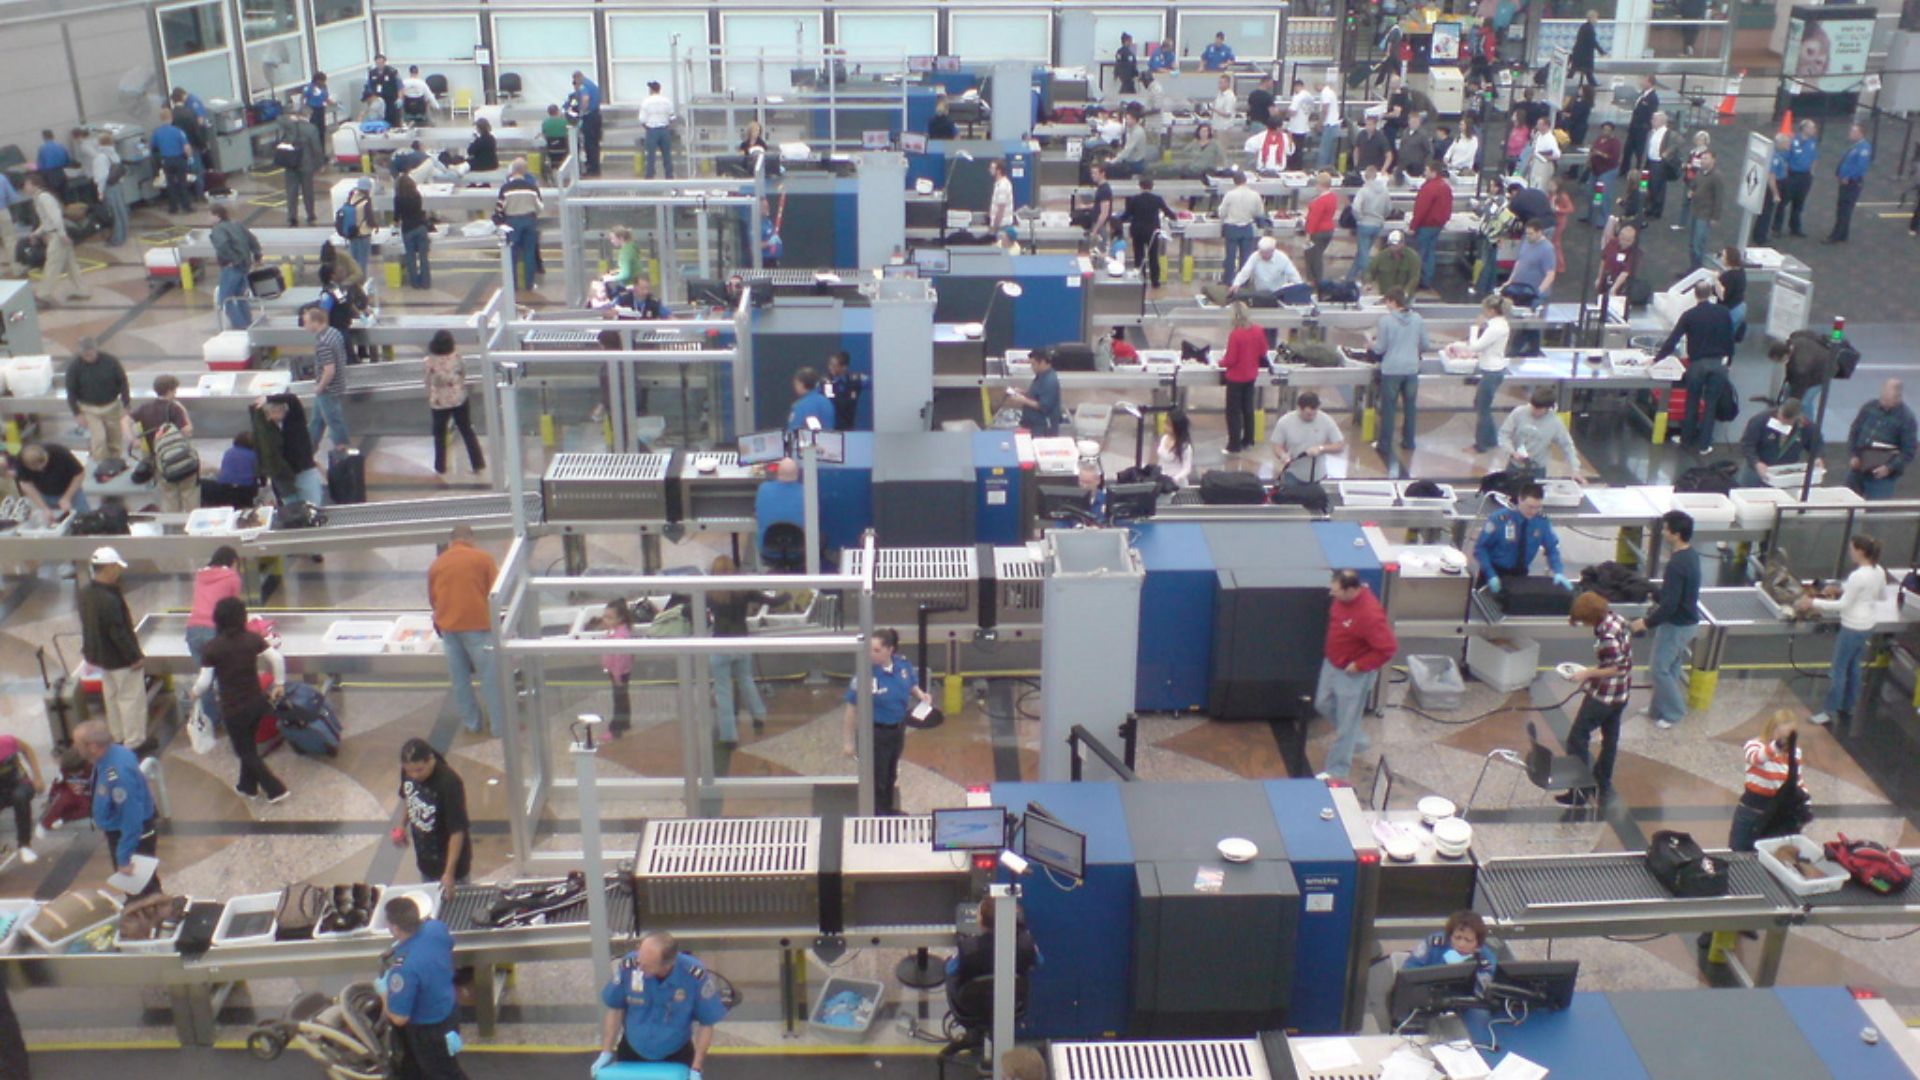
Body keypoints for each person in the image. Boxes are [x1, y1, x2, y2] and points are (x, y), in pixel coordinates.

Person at [193, 595, 290, 803]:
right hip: (257, 702)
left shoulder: (212, 648)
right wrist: (279, 683)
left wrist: (194, 692)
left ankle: (275, 789)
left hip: (233, 708)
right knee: (248, 745)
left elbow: (204, 681)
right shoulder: (253, 639)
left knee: (244, 752)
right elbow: (277, 658)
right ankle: (247, 787)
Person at [595, 931, 727, 1073]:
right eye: (640, 957)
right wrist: (606, 1051)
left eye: (647, 965)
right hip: (632, 1050)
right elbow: (615, 1008)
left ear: (667, 964)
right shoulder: (629, 966)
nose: (639, 966)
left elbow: (707, 1023)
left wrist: (696, 1067)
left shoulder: (693, 975)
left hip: (675, 1054)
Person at [1796, 534, 1887, 728]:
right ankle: (1848, 705)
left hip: (1852, 627)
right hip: (1867, 626)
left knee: (1838, 670)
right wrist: (1842, 589)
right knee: (1854, 667)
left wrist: (1812, 602)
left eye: (1852, 549)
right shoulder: (1878, 571)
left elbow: (1842, 605)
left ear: (1861, 551)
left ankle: (1828, 711)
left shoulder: (1858, 576)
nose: (1850, 552)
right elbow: (1881, 594)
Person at [1555, 590, 1635, 806]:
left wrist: (1586, 673)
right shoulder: (1615, 618)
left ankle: (1580, 790)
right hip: (1622, 693)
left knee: (1576, 738)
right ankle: (1603, 783)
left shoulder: (1606, 636)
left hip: (1604, 696)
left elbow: (1615, 668)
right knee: (1610, 741)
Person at [1317, 569, 1397, 780]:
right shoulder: (1340, 600)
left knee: (1346, 726)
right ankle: (1356, 739)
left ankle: (1336, 770)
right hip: (1332, 663)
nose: (1332, 595)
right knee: (1322, 703)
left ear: (1351, 589)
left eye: (1336, 592)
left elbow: (1387, 648)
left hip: (1353, 675)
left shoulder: (1369, 614)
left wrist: (1361, 665)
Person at [841, 628, 930, 814]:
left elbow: (911, 684)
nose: (871, 654)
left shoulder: (902, 666)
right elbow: (851, 709)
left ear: (890, 650)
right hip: (875, 733)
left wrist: (921, 695)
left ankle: (886, 807)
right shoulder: (865, 675)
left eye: (876, 650)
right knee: (877, 776)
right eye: (869, 650)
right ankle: (878, 812)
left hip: (897, 730)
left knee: (890, 772)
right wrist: (848, 742)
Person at [428, 525, 506, 736]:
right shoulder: (483, 559)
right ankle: (499, 726)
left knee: (460, 680)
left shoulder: (437, 564)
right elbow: (496, 592)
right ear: (471, 539)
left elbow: (433, 599)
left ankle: (472, 723)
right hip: (478, 627)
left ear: (451, 541)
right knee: (490, 678)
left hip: (449, 630)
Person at [381, 894, 469, 1080]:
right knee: (445, 1064)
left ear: (396, 929)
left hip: (429, 1030)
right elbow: (447, 945)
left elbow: (399, 1018)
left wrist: (383, 994)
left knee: (442, 1072)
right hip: (449, 1010)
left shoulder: (403, 969)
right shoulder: (435, 928)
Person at [1631, 511, 1701, 730]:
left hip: (1676, 625)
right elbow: (1676, 595)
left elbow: (1670, 605)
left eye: (1666, 528)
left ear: (1676, 533)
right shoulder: (1691, 556)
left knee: (1659, 669)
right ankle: (1657, 709)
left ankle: (1674, 712)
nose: (1662, 532)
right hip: (1687, 622)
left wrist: (1646, 622)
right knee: (1669, 668)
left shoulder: (1676, 564)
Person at [78, 719, 160, 897]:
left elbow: (131, 817)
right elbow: (109, 787)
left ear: (92, 746)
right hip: (120, 829)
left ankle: (151, 913)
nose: (76, 748)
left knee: (141, 887)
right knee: (142, 887)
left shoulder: (119, 774)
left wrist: (124, 857)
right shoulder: (110, 761)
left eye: (79, 743)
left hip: (133, 837)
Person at [82, 547, 151, 751]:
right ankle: (135, 742)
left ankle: (118, 736)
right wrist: (134, 656)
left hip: (101, 657)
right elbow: (117, 632)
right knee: (130, 699)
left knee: (111, 698)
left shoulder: (86, 593)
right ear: (110, 568)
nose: (119, 572)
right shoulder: (109, 599)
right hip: (120, 659)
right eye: (117, 567)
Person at [1653, 283, 1736, 454]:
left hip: (1697, 365)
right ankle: (1704, 445)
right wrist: (1729, 362)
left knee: (1692, 402)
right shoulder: (1724, 313)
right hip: (1718, 364)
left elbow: (1673, 340)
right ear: (1711, 294)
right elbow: (1730, 339)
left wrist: (1656, 359)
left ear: (1696, 296)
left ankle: (1686, 440)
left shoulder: (1689, 315)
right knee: (1711, 404)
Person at [708, 555, 769, 744]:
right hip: (741, 642)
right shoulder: (744, 591)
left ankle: (729, 735)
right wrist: (788, 594)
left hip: (720, 644)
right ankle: (759, 717)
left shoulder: (709, 593)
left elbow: (689, 609)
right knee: (746, 680)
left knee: (723, 691)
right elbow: (771, 600)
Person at [945, 892, 1041, 1012]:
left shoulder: (967, 948)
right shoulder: (1026, 944)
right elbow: (1039, 961)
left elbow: (950, 970)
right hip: (1014, 1001)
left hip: (971, 1004)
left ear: (981, 922)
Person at [396, 738, 470, 893]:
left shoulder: (449, 783)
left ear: (431, 760)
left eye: (419, 770)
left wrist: (449, 873)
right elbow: (410, 797)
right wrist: (402, 825)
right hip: (426, 862)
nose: (414, 775)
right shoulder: (408, 771)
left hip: (450, 867)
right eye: (410, 771)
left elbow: (457, 831)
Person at [1730, 710, 1808, 852]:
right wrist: (1776, 747)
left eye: (1789, 735)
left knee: (1767, 856)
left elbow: (1797, 781)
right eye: (1781, 734)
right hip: (1751, 813)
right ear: (1772, 729)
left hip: (1776, 816)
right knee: (1739, 853)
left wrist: (1805, 806)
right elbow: (1756, 758)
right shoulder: (1755, 745)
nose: (1785, 740)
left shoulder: (1795, 753)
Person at [1475, 480, 1570, 591]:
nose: (1534, 511)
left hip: (1520, 575)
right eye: (1530, 507)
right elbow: (1480, 548)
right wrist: (1490, 574)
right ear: (1520, 500)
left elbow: (1552, 548)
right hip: (1494, 572)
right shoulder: (1500, 520)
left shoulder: (1541, 522)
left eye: (1538, 507)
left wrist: (1558, 571)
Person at [1370, 289, 1428, 467]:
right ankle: (1409, 442)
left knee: (1389, 408)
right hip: (1411, 369)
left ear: (1393, 301)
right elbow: (1425, 344)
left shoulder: (1385, 321)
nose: (1386, 306)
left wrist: (1370, 344)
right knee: (1410, 407)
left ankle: (1385, 445)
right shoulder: (1418, 319)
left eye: (1386, 302)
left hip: (1391, 369)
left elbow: (1380, 348)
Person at [125, 375, 199, 511]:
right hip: (180, 457)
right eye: (175, 390)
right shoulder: (174, 408)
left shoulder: (144, 407)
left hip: (159, 461)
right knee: (189, 493)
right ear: (170, 391)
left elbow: (124, 420)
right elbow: (187, 431)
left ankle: (172, 527)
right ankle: (189, 525)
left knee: (169, 496)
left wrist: (133, 439)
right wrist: (184, 413)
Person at [1452, 295, 1512, 452]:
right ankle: (1491, 438)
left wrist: (1475, 328)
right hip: (1493, 368)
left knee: (1482, 407)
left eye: (1485, 309)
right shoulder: (1500, 324)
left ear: (1492, 310)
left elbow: (1475, 347)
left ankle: (1481, 445)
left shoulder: (1495, 327)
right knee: (1481, 404)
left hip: (1492, 371)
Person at [185, 545, 241, 702]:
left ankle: (208, 722)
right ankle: (227, 717)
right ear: (233, 562)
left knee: (205, 678)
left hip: (192, 631)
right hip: (214, 631)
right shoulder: (232, 577)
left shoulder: (200, 575)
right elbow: (234, 610)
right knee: (225, 678)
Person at [424, 330, 483, 479]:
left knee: (439, 434)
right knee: (466, 430)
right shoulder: (457, 357)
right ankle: (477, 463)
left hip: (439, 402)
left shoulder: (429, 361)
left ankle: (440, 467)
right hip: (459, 399)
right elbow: (463, 373)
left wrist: (430, 394)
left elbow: (427, 380)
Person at [1845, 379, 1917, 499]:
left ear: (1898, 397)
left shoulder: (1906, 419)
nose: (1883, 403)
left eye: (1887, 400)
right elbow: (1854, 431)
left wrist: (1889, 468)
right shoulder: (1869, 407)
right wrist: (1853, 455)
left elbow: (1908, 451)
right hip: (1858, 468)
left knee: (1876, 513)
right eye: (1882, 398)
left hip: (1882, 476)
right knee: (1845, 504)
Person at [252, 393, 325, 508]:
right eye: (273, 411)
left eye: (279, 409)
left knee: (313, 507)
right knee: (293, 513)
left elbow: (293, 399)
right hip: (284, 477)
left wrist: (268, 398)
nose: (276, 413)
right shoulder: (268, 429)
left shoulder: (295, 421)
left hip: (303, 471)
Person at [26, 172, 88, 304]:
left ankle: (43, 294)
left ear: (34, 184)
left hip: (57, 236)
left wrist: (62, 235)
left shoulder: (44, 198)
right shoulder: (39, 198)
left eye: (27, 184)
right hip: (56, 233)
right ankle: (83, 290)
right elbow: (47, 220)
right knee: (71, 265)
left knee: (52, 265)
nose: (25, 187)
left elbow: (56, 217)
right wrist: (36, 233)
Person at [64, 338, 130, 462]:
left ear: (96, 350)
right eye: (85, 355)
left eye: (90, 354)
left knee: (114, 438)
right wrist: (77, 413)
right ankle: (100, 464)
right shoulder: (74, 367)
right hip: (89, 409)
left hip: (111, 406)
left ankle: (115, 462)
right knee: (99, 439)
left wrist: (126, 403)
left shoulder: (111, 361)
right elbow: (71, 391)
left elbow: (123, 382)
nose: (88, 357)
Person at [301, 305, 351, 453]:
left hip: (328, 388)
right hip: (339, 383)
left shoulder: (322, 342)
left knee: (333, 419)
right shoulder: (334, 332)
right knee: (317, 419)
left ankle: (341, 448)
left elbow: (329, 370)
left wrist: (320, 387)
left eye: (306, 323)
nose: (305, 327)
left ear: (316, 322)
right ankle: (309, 447)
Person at [1738, 398, 1820, 488]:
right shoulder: (1760, 420)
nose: (1783, 423)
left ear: (1798, 417)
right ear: (1779, 410)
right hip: (1757, 466)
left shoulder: (1806, 427)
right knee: (1747, 492)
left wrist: (1817, 457)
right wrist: (1756, 463)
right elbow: (1746, 444)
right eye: (1781, 420)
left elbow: (1816, 444)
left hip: (1784, 470)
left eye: (1788, 422)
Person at [1499, 388, 1580, 476]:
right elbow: (1503, 434)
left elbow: (1567, 445)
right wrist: (1512, 452)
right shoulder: (1519, 412)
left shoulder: (1555, 423)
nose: (1534, 411)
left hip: (1537, 469)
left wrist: (1575, 469)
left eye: (1538, 409)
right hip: (1514, 466)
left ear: (1548, 408)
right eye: (1533, 407)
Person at [1220, 303, 1267, 453]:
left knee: (1233, 412)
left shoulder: (1236, 334)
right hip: (1251, 375)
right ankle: (1248, 440)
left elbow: (1231, 360)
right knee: (1248, 409)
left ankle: (1233, 445)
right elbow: (1263, 351)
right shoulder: (1258, 330)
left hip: (1235, 378)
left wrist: (1219, 362)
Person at [1270, 391, 1344, 483]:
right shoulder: (1285, 421)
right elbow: (1277, 445)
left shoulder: (1326, 420)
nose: (1312, 417)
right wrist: (1283, 455)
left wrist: (1321, 448)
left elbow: (1339, 445)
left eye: (1315, 413)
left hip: (1318, 475)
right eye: (1308, 414)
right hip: (1293, 475)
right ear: (1299, 408)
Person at [209, 204, 262, 330]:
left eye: (210, 215)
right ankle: (248, 323)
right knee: (241, 296)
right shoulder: (237, 225)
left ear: (217, 216)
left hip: (230, 267)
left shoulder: (218, 230)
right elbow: (252, 240)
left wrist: (232, 260)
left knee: (226, 299)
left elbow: (222, 245)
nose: (208, 218)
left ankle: (239, 326)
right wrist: (257, 256)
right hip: (244, 266)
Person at [1404, 910, 1497, 979]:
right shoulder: (1433, 943)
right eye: (1457, 938)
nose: (1461, 944)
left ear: (1478, 944)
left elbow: (1483, 989)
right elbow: (1409, 969)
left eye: (1468, 940)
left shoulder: (1485, 959)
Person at [496, 159, 543, 289]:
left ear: (512, 171)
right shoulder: (532, 188)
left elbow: (500, 207)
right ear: (524, 171)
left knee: (512, 253)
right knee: (529, 252)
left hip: (512, 222)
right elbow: (539, 206)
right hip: (529, 220)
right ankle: (529, 284)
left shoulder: (505, 188)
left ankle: (512, 284)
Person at [15, 442, 88, 520]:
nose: (41, 469)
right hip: (45, 494)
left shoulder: (60, 452)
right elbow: (26, 484)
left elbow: (79, 474)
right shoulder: (20, 460)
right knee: (52, 520)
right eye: (36, 469)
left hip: (71, 489)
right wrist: (44, 508)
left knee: (84, 518)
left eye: (43, 465)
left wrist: (67, 497)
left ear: (46, 455)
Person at [1408, 161, 1451, 290]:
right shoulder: (1445, 187)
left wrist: (1413, 226)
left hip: (1425, 226)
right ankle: (1427, 279)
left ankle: (1416, 280)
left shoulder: (1429, 188)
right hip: (1437, 226)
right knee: (1430, 252)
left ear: (1433, 172)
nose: (1424, 172)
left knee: (1420, 254)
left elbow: (1421, 209)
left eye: (1427, 170)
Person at [1826, 124, 1871, 244]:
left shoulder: (1863, 148)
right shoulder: (1856, 146)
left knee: (1844, 209)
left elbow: (1860, 167)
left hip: (1852, 183)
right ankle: (1843, 234)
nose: (1850, 133)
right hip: (1846, 181)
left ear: (1860, 133)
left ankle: (1837, 234)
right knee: (1842, 208)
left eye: (1853, 131)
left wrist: (1848, 177)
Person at [0, 736, 42, 865]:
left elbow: (27, 749)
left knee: (20, 797)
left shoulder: (6, 742)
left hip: (20, 783)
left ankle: (24, 844)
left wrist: (37, 777)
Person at [275, 112, 322, 227]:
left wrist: (290, 118)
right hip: (306, 164)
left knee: (291, 191)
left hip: (290, 163)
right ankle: (310, 215)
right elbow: (316, 148)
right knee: (308, 191)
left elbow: (279, 118)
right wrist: (319, 164)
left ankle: (292, 217)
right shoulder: (311, 128)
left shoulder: (288, 125)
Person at [754, 457, 805, 559]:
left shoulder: (763, 488)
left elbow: (756, 513)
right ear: (797, 474)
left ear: (777, 473)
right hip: (798, 551)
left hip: (768, 550)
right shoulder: (806, 492)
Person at [1217, 172, 1263, 283]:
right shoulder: (1255, 195)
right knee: (1246, 257)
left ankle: (1228, 280)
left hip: (1231, 229)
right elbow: (1259, 213)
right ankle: (1244, 280)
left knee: (1230, 256)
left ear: (1234, 181)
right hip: (1247, 228)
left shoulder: (1230, 194)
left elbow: (1221, 212)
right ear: (1245, 180)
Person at [1348, 167, 1391, 284]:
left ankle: (1367, 278)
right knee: (1363, 251)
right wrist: (1382, 217)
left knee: (1363, 253)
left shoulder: (1363, 190)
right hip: (1378, 224)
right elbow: (1389, 208)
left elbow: (1356, 207)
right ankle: (1350, 276)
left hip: (1364, 224)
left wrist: (1359, 218)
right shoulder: (1384, 190)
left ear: (1365, 177)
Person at [1004, 350, 1062, 437]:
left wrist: (1024, 400)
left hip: (1043, 427)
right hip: (1033, 424)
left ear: (1042, 362)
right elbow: (1038, 394)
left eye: (1033, 364)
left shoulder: (1050, 381)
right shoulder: (1041, 375)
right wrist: (1023, 392)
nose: (1032, 367)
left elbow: (1043, 406)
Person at [1777, 119, 1818, 239]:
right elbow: (1784, 156)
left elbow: (1814, 157)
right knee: (1783, 203)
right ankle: (1777, 228)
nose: (1814, 130)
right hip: (1792, 175)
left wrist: (1812, 172)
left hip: (1805, 176)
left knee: (1799, 204)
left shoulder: (1812, 142)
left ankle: (1795, 228)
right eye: (1811, 127)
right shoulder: (1793, 140)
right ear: (1804, 128)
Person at [391, 172, 432, 289]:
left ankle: (415, 282)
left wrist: (395, 224)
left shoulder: (398, 198)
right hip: (421, 226)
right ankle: (426, 282)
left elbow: (396, 217)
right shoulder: (417, 195)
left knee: (411, 257)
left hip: (408, 229)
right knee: (424, 257)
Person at [1229, 235, 1304, 299]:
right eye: (1261, 252)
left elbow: (1293, 274)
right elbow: (1245, 272)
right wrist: (1236, 283)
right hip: (1260, 294)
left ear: (1273, 250)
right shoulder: (1255, 256)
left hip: (1278, 294)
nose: (1262, 255)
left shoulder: (1282, 258)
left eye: (1266, 253)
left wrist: (1301, 288)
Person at [1685, 150, 1723, 270]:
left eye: (1706, 158)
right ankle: (1692, 268)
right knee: (1692, 242)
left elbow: (1719, 197)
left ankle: (1697, 269)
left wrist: (1715, 217)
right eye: (1702, 158)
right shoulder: (1700, 172)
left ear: (1713, 160)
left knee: (1699, 243)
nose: (1703, 160)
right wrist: (1691, 190)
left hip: (1705, 214)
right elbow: (1694, 183)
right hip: (1696, 211)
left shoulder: (1717, 176)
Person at [90, 132, 128, 247]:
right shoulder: (114, 154)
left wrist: (100, 191)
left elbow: (101, 177)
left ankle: (116, 238)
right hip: (117, 185)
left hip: (108, 187)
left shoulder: (100, 157)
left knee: (112, 213)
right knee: (121, 210)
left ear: (100, 143)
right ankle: (124, 234)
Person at [1301, 172, 1338, 284]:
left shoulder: (1320, 201)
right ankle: (1315, 281)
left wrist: (1308, 234)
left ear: (1320, 185)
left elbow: (1314, 219)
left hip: (1318, 232)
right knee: (1317, 255)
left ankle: (1315, 281)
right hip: (1328, 229)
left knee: (1313, 257)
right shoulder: (1332, 197)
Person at [634, 80, 677, 179]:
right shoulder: (667, 101)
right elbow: (672, 117)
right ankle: (669, 175)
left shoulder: (646, 102)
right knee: (667, 154)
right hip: (664, 130)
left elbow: (642, 119)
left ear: (651, 90)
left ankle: (650, 175)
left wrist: (647, 127)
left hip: (652, 130)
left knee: (650, 155)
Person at [1366, 228, 1421, 298]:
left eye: (1396, 244)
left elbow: (1415, 277)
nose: (1393, 247)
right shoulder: (1381, 256)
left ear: (1402, 243)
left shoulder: (1413, 257)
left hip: (1406, 297)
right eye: (1391, 244)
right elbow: (1370, 270)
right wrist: (1368, 282)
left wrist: (1406, 291)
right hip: (1386, 295)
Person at [1586, 121, 1622, 226]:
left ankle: (1603, 220)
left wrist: (1600, 153)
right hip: (1595, 170)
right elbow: (1593, 150)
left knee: (1603, 196)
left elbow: (1613, 159)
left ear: (1612, 131)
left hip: (1607, 171)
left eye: (1608, 130)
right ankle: (1591, 217)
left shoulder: (1615, 142)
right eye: (1604, 129)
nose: (1605, 132)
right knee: (1591, 194)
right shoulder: (1598, 139)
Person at [1595, 222, 1641, 305]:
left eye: (1628, 240)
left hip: (1621, 285)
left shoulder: (1635, 252)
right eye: (1623, 238)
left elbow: (1625, 272)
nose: (1625, 242)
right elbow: (1603, 260)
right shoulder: (1612, 243)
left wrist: (1614, 288)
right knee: (1600, 301)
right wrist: (1599, 277)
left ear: (1633, 240)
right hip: (1606, 279)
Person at [1642, 112, 1676, 220]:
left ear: (1661, 121)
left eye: (1654, 119)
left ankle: (1656, 210)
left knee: (1658, 187)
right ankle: (1649, 207)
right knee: (1648, 185)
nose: (1651, 121)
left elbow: (1678, 143)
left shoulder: (1668, 133)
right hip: (1650, 161)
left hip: (1659, 163)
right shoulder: (1651, 132)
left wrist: (1667, 152)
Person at [1623, 75, 1658, 173]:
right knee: (1627, 150)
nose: (1642, 83)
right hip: (1634, 127)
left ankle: (1640, 171)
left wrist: (1646, 125)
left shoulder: (1652, 98)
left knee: (1640, 151)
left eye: (1644, 81)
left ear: (1650, 83)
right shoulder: (1642, 95)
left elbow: (1650, 113)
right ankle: (1624, 170)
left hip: (1641, 129)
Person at [787, 367, 836, 433]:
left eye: (796, 383)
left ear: (801, 384)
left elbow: (793, 432)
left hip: (807, 442)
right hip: (829, 441)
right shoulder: (827, 402)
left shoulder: (800, 406)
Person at [1156, 407, 1194, 486]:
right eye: (1166, 423)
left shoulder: (1185, 446)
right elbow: (1160, 460)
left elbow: (1187, 468)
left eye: (1169, 425)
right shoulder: (1164, 438)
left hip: (1176, 483)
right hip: (1162, 480)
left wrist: (1175, 478)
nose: (1165, 427)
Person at [1716, 246, 1747, 340]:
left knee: (1723, 339)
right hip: (1740, 306)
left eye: (1723, 256)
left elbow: (1723, 297)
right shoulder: (1741, 271)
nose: (1721, 258)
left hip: (1730, 312)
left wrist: (1716, 281)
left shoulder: (1729, 277)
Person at [825, 352, 861, 431]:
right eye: (830, 365)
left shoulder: (854, 382)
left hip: (848, 426)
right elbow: (829, 402)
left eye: (834, 365)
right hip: (831, 427)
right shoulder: (827, 383)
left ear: (844, 367)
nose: (830, 368)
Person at [364, 54, 402, 128]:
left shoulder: (392, 72)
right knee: (378, 119)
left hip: (391, 100)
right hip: (379, 100)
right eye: (377, 63)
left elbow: (400, 86)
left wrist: (400, 98)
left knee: (393, 119)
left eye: (381, 62)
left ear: (384, 62)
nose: (379, 65)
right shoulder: (372, 73)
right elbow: (369, 87)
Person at [1569, 10, 1605, 87]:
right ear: (1591, 18)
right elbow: (1593, 41)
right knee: (1587, 69)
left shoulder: (1584, 26)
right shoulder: (1589, 29)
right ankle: (1592, 83)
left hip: (1579, 53)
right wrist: (1601, 51)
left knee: (1576, 68)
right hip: (1584, 54)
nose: (1597, 20)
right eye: (1596, 18)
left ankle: (1592, 82)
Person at [1086, 161, 1115, 247]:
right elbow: (1098, 205)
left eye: (1095, 173)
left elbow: (1104, 212)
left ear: (1102, 174)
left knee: (1099, 251)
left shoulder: (1104, 190)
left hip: (1101, 226)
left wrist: (1095, 229)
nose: (1093, 175)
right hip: (1099, 225)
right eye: (1092, 173)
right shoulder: (1100, 188)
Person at [302, 71, 331, 147]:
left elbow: (325, 97)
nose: (323, 83)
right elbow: (303, 98)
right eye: (322, 81)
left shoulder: (324, 87)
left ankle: (322, 150)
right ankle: (314, 150)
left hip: (321, 109)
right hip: (312, 110)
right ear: (317, 80)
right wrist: (304, 109)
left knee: (322, 130)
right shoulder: (309, 88)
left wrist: (332, 103)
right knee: (314, 131)